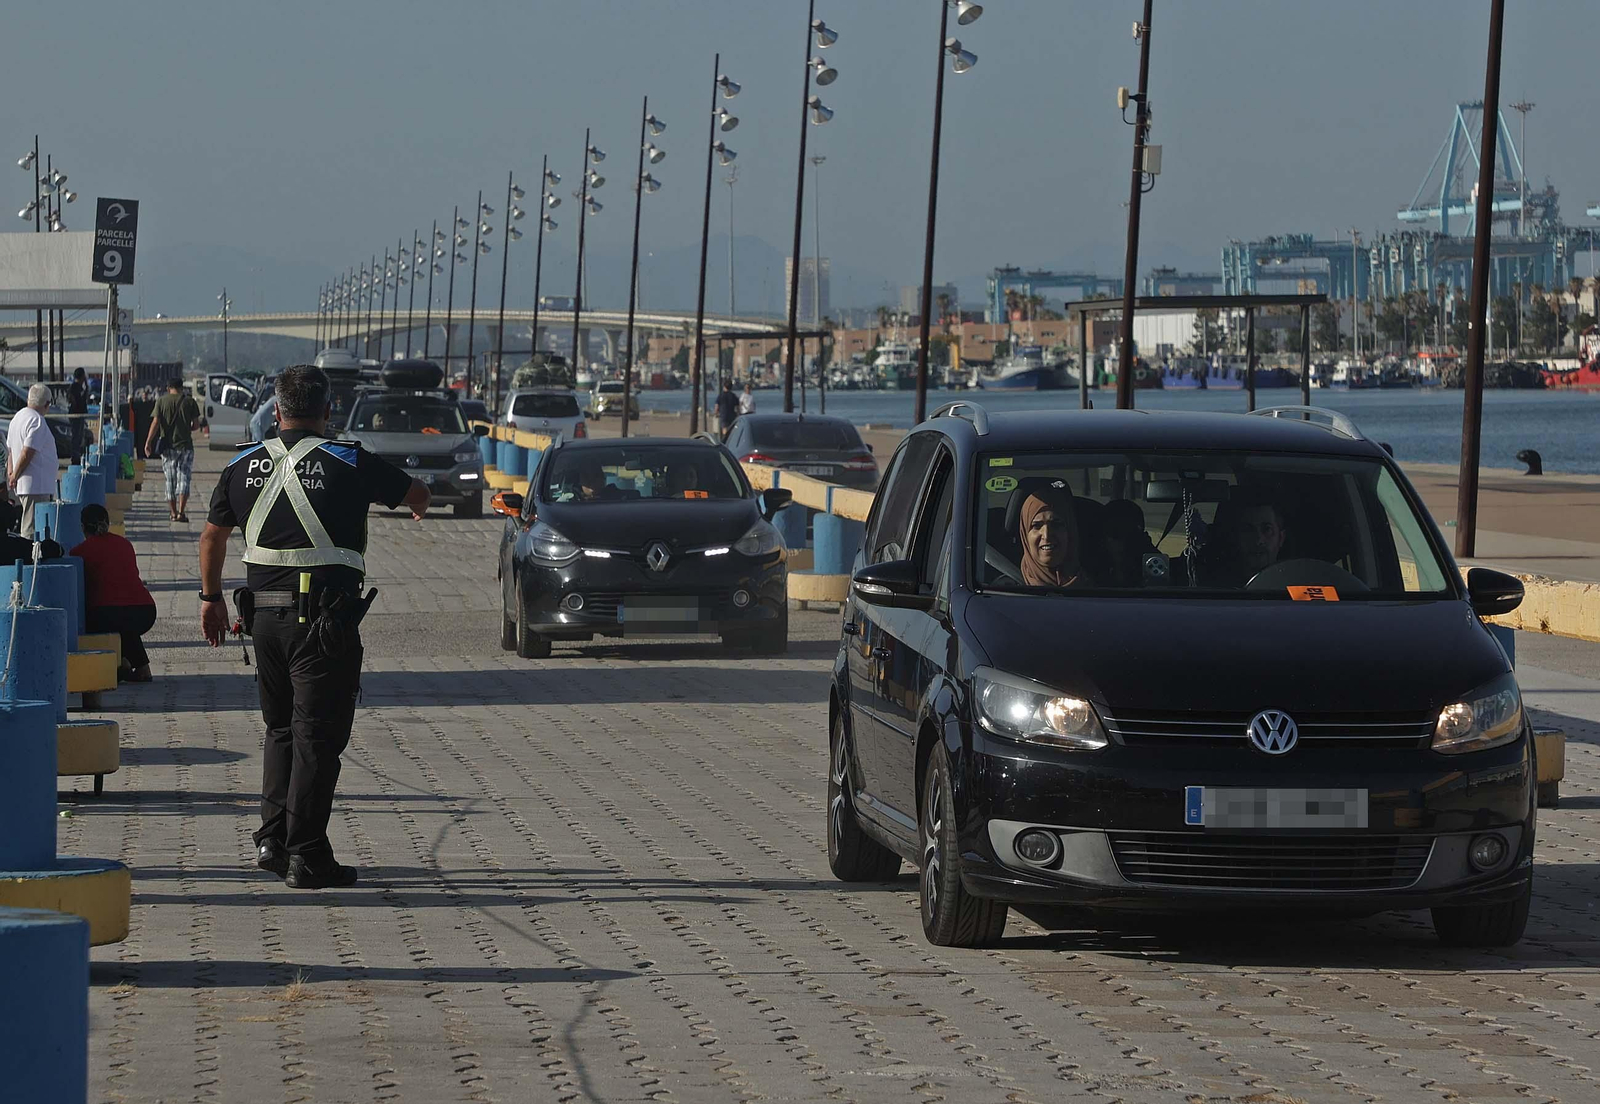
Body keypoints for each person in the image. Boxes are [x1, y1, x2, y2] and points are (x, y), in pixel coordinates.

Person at [200, 364, 430, 889]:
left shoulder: (242, 465)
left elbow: (211, 538)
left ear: (276, 411)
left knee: (280, 730)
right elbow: (416, 494)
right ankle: (307, 855)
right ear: (328, 412)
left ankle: (272, 841)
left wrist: (210, 600)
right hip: (321, 627)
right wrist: (420, 505)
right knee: (316, 738)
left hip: (262, 622)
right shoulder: (349, 460)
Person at [71, 504, 156, 683]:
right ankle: (124, 663)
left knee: (107, 620)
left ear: (82, 527)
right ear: (108, 523)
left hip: (109, 613)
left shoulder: (79, 552)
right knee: (126, 625)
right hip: (146, 610)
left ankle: (137, 667)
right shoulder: (124, 544)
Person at [1203, 489, 1289, 587]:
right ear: (1235, 537)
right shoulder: (1212, 589)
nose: (1258, 540)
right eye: (1248, 530)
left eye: (1267, 530)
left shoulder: (1299, 588)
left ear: (1281, 538)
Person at [1013, 481, 1092, 588]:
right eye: (1036, 526)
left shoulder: (1097, 590)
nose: (1046, 535)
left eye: (1056, 524)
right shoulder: (1003, 591)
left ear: (1070, 531)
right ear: (1025, 535)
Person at [145, 377, 202, 523]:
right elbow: (196, 426)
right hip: (186, 447)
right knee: (184, 479)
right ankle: (181, 512)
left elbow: (156, 422)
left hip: (168, 448)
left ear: (168, 387)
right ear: (182, 387)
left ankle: (173, 512)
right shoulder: (190, 402)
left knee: (170, 480)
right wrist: (185, 429)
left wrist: (148, 442)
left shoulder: (162, 401)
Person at [6, 383, 58, 539]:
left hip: (25, 484)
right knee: (31, 529)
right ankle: (30, 560)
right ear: (47, 404)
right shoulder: (37, 421)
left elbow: (10, 450)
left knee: (29, 524)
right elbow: (27, 452)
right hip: (36, 486)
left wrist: (11, 472)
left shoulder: (17, 417)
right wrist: (15, 475)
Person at [66, 368, 90, 464]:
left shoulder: (81, 387)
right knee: (76, 436)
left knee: (79, 436)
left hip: (80, 414)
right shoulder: (75, 387)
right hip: (76, 415)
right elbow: (76, 401)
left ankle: (78, 455)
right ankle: (75, 457)